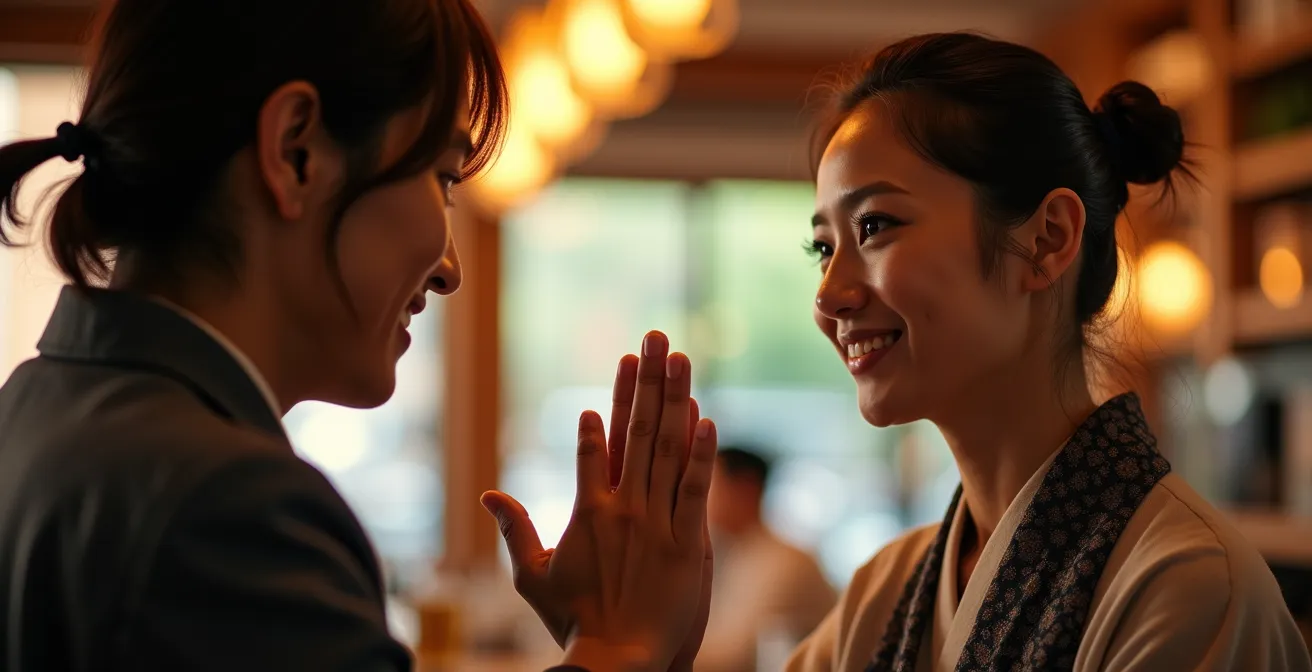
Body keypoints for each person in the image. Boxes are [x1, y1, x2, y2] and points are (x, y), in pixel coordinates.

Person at [493, 32, 1312, 672]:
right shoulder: (889, 589)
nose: (829, 295)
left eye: (876, 226)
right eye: (823, 248)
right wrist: (645, 644)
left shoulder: (1186, 589)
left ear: (1047, 239)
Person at [0, 1, 715, 670]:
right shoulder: (225, 506)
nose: (450, 270)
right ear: (296, 152)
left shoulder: (36, 407)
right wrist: (621, 642)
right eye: (442, 179)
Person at [697, 447, 835, 672]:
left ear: (745, 488)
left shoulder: (785, 564)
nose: (702, 497)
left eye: (710, 484)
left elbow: (737, 659)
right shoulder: (742, 554)